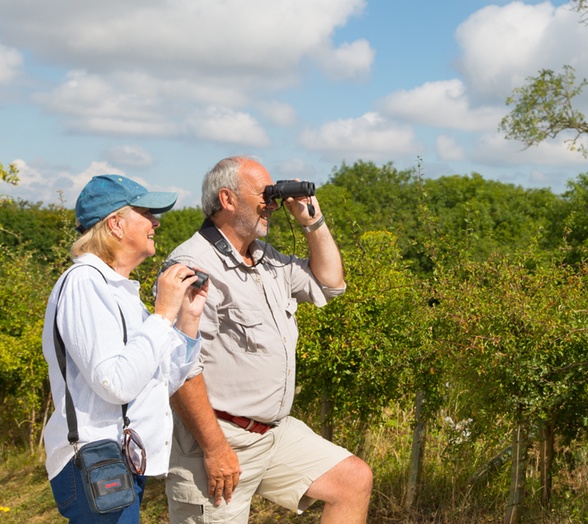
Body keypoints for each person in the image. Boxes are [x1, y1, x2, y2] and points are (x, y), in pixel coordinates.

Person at [164, 157, 372, 523]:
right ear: (227, 200)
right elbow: (178, 367)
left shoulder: (265, 259)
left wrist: (313, 223)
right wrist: (215, 449)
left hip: (273, 433)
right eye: (265, 195)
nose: (274, 204)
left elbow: (331, 284)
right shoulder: (193, 264)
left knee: (351, 480)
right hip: (217, 438)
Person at [42, 174, 210, 523]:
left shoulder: (119, 290)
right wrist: (163, 312)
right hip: (95, 462)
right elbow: (116, 383)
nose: (156, 222)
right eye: (146, 212)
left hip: (117, 461)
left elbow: (166, 377)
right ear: (116, 224)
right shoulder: (85, 283)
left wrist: (187, 319)